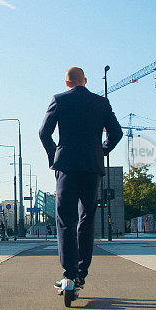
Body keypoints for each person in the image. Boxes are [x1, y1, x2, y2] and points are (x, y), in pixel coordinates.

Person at [39, 66, 122, 297]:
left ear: (67, 83)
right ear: (84, 80)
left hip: (66, 165)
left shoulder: (59, 100)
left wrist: (54, 155)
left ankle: (68, 273)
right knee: (87, 218)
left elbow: (44, 133)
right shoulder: (101, 102)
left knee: (65, 219)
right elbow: (116, 133)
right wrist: (101, 150)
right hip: (92, 167)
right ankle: (81, 273)